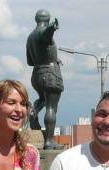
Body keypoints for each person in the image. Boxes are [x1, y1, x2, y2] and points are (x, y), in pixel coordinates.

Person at [26, 9, 64, 149]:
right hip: (50, 74)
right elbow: (45, 35)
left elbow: (30, 61)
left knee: (42, 100)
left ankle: (33, 112)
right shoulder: (43, 33)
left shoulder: (30, 37)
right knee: (51, 107)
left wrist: (53, 58)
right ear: (47, 19)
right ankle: (49, 141)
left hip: (36, 74)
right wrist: (52, 28)